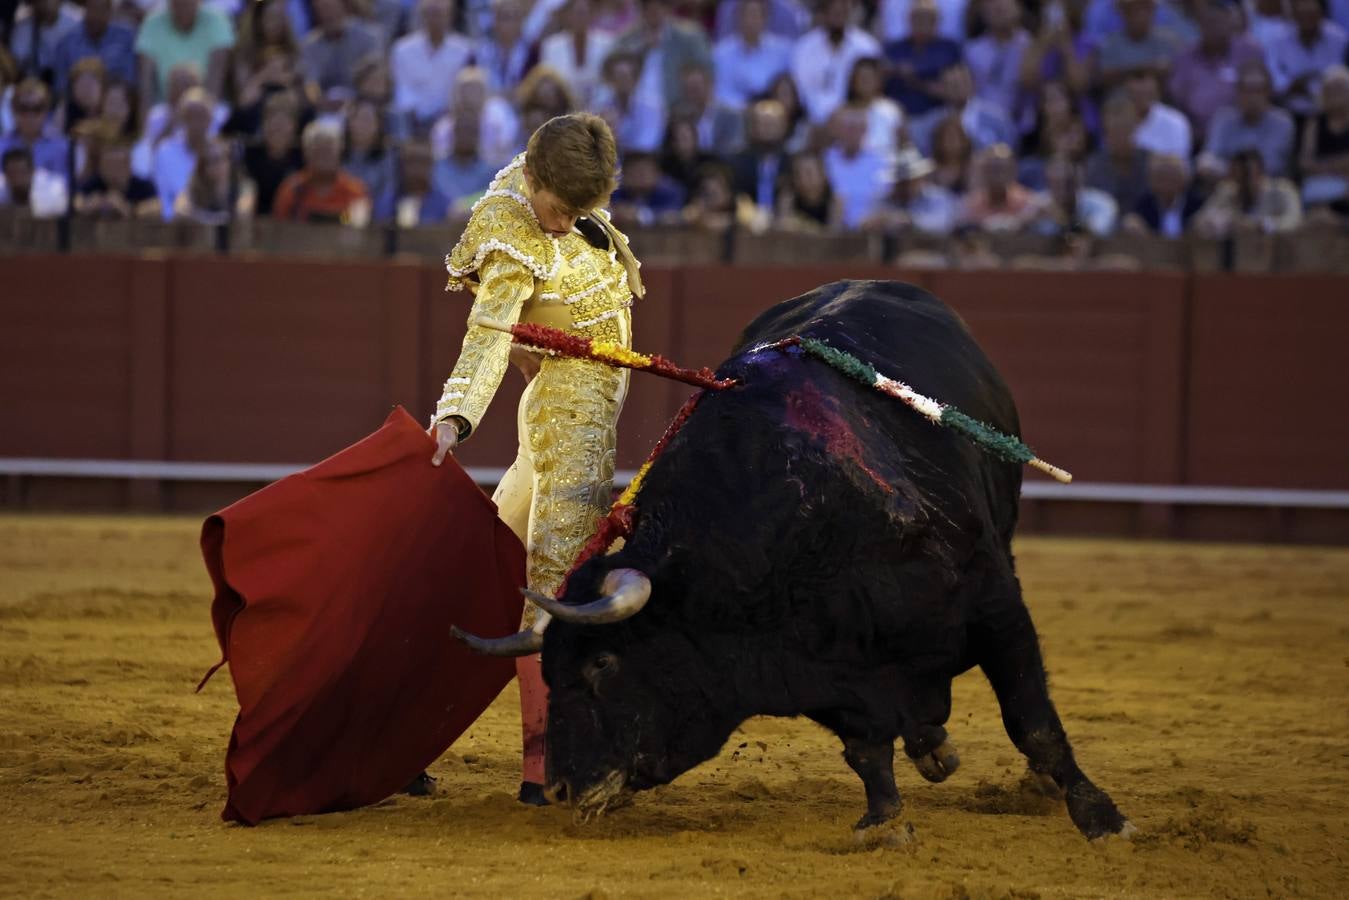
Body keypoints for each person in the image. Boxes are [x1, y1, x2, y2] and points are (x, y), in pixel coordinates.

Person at [427, 113, 645, 805]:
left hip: (570, 398)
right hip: (567, 413)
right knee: (558, 582)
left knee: (484, 575)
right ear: (530, 179)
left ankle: (400, 738)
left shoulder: (555, 177)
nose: (561, 226)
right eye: (556, 210)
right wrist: (454, 416)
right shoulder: (508, 232)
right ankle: (541, 771)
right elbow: (488, 335)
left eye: (577, 212)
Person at [1167, 0, 1264, 137]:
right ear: (1199, 25)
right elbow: (1177, 101)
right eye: (1209, 22)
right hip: (1197, 134)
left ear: (1230, 22)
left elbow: (1262, 90)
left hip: (1243, 130)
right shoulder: (1184, 58)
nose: (1215, 28)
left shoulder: (1249, 51)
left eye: (1219, 21)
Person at [1197, 61, 1295, 178]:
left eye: (1258, 91)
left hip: (1268, 187)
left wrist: (1230, 170)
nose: (1252, 97)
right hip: (1227, 185)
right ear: (1238, 92)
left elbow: (1272, 165)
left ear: (1269, 92)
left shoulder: (1282, 122)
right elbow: (1209, 158)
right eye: (1247, 90)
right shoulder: (1223, 118)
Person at [789, 0, 880, 124]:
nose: (838, 16)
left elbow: (871, 89)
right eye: (833, 11)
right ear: (823, 13)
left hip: (858, 121)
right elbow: (801, 91)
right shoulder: (804, 47)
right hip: (811, 120)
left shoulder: (867, 46)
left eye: (842, 11)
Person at [135, 0, 235, 104]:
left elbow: (216, 80)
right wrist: (147, 119)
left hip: (207, 108)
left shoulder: (218, 21)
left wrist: (202, 110)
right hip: (164, 109)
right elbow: (145, 86)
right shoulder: (151, 23)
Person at [272, 119, 370, 223]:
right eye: (318, 149)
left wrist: (342, 219)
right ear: (306, 152)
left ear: (340, 151)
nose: (323, 156)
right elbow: (279, 229)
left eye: (328, 149)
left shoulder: (354, 189)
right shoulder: (291, 189)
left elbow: (358, 224)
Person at [1265, 0, 1347, 117]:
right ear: (1293, 14)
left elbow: (1340, 74)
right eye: (1302, 14)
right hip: (1288, 109)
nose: (1307, 20)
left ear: (1322, 14)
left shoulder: (1338, 38)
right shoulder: (1277, 39)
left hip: (1329, 111)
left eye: (1311, 15)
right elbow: (1272, 75)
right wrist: (1291, 86)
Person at [882, 0, 963, 117]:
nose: (922, 23)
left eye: (927, 19)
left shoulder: (949, 49)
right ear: (909, 19)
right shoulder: (893, 49)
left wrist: (914, 80)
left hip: (937, 114)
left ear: (937, 21)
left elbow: (955, 90)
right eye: (917, 18)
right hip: (897, 113)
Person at [1193, 148, 1302, 236]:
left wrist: (1261, 226)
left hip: (1276, 254)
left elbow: (1295, 222)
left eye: (1247, 176)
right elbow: (1197, 221)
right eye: (1237, 177)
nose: (1242, 182)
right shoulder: (1227, 191)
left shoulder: (1282, 190)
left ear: (1260, 173)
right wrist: (1214, 223)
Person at [712, 0, 792, 110]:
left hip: (773, 113)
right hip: (736, 114)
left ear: (766, 19)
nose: (751, 21)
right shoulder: (721, 53)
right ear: (738, 18)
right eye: (746, 15)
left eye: (755, 15)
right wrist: (746, 107)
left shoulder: (783, 51)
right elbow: (721, 93)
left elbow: (786, 90)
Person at [822, 103, 892, 229]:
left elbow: (886, 198)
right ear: (838, 129)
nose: (853, 132)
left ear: (866, 129)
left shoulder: (882, 161)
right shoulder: (826, 158)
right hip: (831, 227)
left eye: (859, 128)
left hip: (871, 229)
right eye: (849, 127)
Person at [51, 0, 137, 94]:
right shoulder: (67, 43)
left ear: (110, 12)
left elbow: (131, 82)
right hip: (78, 104)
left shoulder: (125, 38)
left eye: (101, 10)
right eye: (92, 9)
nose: (96, 15)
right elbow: (61, 88)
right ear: (84, 10)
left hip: (115, 101)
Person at [539, 0, 616, 106]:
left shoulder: (606, 44)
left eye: (584, 13)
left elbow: (609, 83)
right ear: (567, 16)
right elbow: (549, 82)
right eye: (576, 13)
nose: (580, 18)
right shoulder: (551, 46)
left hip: (599, 108)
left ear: (592, 15)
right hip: (562, 109)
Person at [243, 90, 303, 216]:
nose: (277, 128)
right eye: (272, 122)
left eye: (283, 124)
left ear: (294, 127)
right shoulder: (249, 154)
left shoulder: (303, 157)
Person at [1299, 64, 1349, 211]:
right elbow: (1304, 162)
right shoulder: (1314, 122)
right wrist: (1337, 166)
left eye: (1340, 88)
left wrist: (1321, 165)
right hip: (1319, 183)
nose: (1335, 93)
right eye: (1331, 89)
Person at [75, 133, 160, 218]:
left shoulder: (143, 186)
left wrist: (129, 208)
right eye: (108, 165)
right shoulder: (93, 183)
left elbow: (158, 206)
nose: (113, 171)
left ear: (128, 165)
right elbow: (76, 202)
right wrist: (88, 206)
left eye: (117, 165)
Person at [174, 136, 255, 222]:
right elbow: (179, 209)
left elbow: (243, 214)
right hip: (203, 233)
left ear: (229, 161)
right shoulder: (194, 185)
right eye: (210, 161)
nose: (217, 166)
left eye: (221, 158)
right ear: (203, 168)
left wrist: (200, 216)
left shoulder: (245, 185)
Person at [1122, 151, 1203, 236]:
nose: (1167, 184)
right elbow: (1131, 220)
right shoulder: (1143, 204)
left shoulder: (1197, 204)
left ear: (1184, 179)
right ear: (1151, 181)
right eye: (1161, 178)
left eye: (1172, 178)